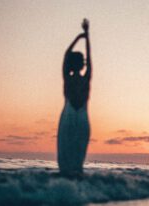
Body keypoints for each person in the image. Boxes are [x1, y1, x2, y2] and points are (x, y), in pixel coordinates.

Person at [57, 19, 92, 176]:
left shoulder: (68, 77)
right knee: (76, 158)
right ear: (81, 64)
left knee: (68, 158)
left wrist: (81, 36)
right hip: (79, 117)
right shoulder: (84, 77)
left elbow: (66, 55)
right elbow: (88, 58)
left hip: (71, 116)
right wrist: (86, 36)